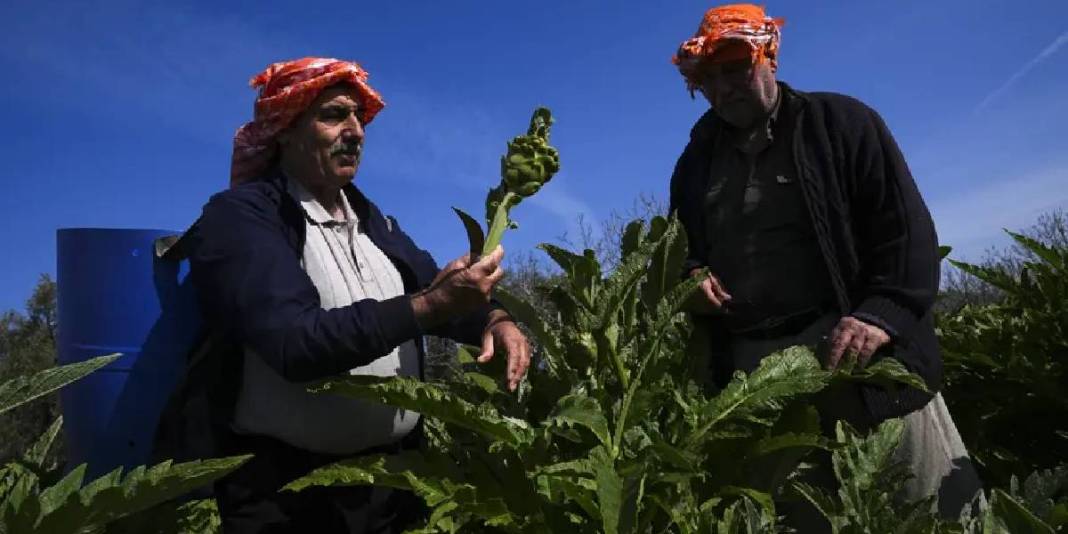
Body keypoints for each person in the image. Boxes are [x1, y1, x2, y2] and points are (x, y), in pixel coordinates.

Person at [154, 57, 531, 533]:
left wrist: (493, 319)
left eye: (359, 117)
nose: (354, 130)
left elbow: (435, 288)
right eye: (334, 115)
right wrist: (432, 305)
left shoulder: (373, 222)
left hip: (388, 489)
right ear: (286, 129)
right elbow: (295, 343)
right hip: (287, 498)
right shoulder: (242, 219)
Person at [668, 4, 982, 526]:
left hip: (856, 352)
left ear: (769, 58)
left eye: (735, 70)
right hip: (755, 368)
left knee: (929, 507)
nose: (723, 89)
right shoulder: (694, 163)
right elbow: (679, 252)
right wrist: (691, 279)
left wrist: (881, 315)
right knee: (796, 512)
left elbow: (904, 230)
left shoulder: (840, 124)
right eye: (709, 79)